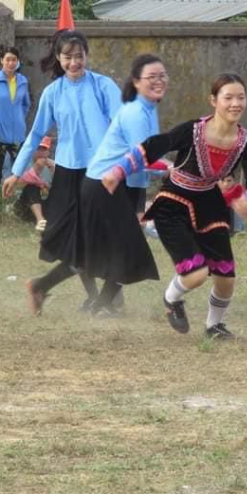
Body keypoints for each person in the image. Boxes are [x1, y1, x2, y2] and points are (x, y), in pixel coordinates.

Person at [104, 74, 247, 341]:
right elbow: (156, 145)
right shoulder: (192, 131)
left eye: (240, 97)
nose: (235, 103)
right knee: (196, 274)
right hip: (174, 203)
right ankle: (172, 300)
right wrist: (118, 171)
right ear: (213, 101)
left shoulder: (245, 141)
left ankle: (214, 327)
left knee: (226, 276)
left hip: (211, 203)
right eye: (228, 97)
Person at [1, 31, 121, 316]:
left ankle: (98, 298)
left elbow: (121, 123)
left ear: (87, 56)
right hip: (68, 175)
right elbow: (36, 134)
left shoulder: (104, 87)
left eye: (79, 56)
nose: (74, 62)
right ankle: (94, 298)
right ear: (58, 58)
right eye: (68, 57)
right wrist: (17, 171)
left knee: (106, 237)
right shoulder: (53, 93)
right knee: (79, 240)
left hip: (101, 172)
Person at [82, 54, 170, 316]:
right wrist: (173, 169)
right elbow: (142, 157)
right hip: (104, 185)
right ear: (136, 82)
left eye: (162, 75)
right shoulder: (134, 112)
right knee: (129, 248)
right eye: (151, 77)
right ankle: (100, 304)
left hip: (124, 185)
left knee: (127, 248)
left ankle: (104, 303)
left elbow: (148, 154)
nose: (158, 81)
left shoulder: (149, 110)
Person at [0, 46, 30, 186]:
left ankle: (16, 204)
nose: (11, 63)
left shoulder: (22, 81)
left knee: (19, 173)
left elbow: (25, 104)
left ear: (18, 61)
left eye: (14, 60)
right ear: (2, 60)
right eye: (8, 59)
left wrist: (19, 118)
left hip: (18, 136)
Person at [15, 136, 55, 229]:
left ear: (48, 152)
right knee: (31, 187)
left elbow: (61, 187)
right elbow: (19, 183)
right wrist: (37, 168)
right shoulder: (23, 163)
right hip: (25, 204)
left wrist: (54, 170)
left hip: (45, 202)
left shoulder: (53, 165)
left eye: (44, 149)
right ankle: (40, 220)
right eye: (38, 149)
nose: (40, 152)